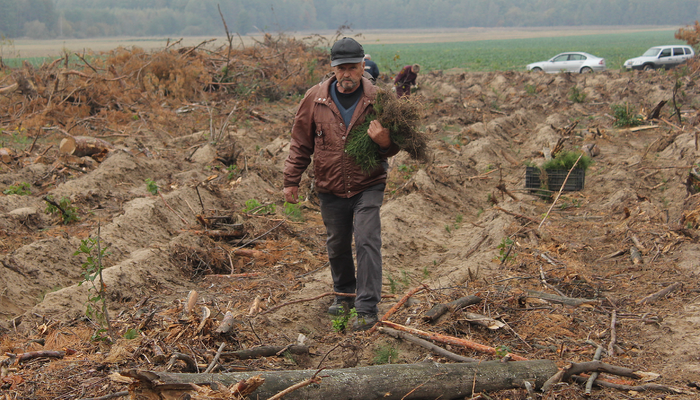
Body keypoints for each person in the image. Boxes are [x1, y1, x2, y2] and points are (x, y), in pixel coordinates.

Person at [283, 37, 399, 331]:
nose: (346, 74)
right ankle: (344, 294)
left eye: (352, 67)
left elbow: (397, 143)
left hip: (368, 183)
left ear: (363, 66)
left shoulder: (380, 100)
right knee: (337, 244)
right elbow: (300, 142)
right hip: (329, 184)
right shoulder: (314, 99)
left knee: (367, 240)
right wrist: (291, 180)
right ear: (332, 68)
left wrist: (385, 142)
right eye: (341, 68)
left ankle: (367, 307)